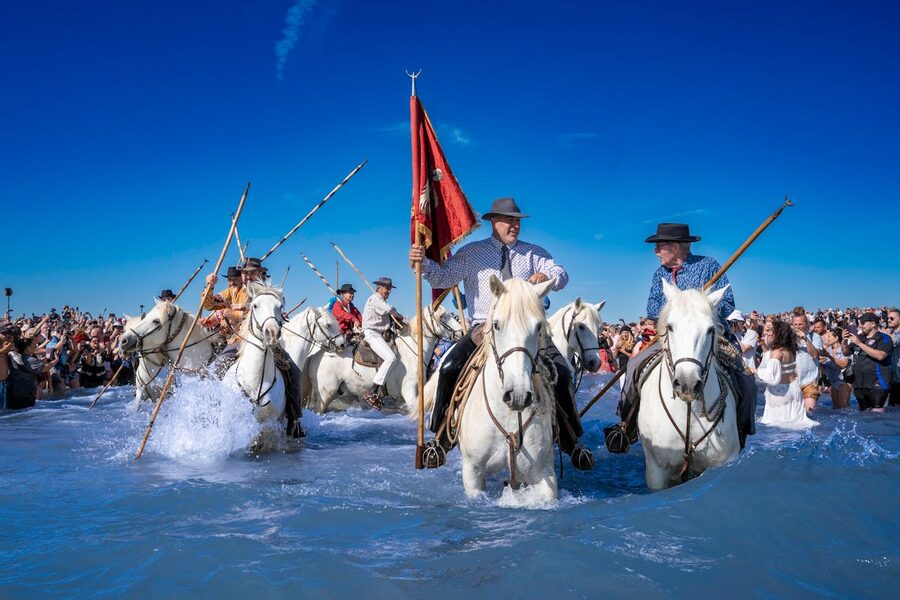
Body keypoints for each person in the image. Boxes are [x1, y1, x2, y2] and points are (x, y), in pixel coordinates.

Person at [409, 197, 594, 470]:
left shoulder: (534, 253)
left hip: (530, 331)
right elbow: (442, 278)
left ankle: (571, 440)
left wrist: (547, 277)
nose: (515, 225)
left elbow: (561, 274)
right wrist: (422, 262)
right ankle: (440, 438)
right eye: (509, 220)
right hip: (485, 329)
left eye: (517, 221)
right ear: (494, 222)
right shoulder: (472, 253)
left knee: (562, 372)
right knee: (448, 367)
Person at [616, 223, 756, 450]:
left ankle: (740, 430)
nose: (655, 251)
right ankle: (626, 426)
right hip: (671, 337)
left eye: (660, 246)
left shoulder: (709, 266)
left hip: (710, 336)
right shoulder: (659, 274)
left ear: (677, 246)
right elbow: (653, 309)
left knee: (747, 383)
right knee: (633, 366)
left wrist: (699, 306)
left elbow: (728, 303)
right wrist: (679, 309)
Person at [756, 320, 818, 429]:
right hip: (794, 390)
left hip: (780, 393)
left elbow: (771, 377)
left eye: (771, 331)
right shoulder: (791, 350)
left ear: (777, 334)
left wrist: (754, 371)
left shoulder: (777, 352)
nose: (768, 333)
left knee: (776, 431)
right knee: (795, 427)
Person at [361, 277, 404, 409]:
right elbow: (389, 309)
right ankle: (373, 390)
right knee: (391, 358)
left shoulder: (381, 300)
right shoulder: (375, 299)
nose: (388, 291)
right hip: (372, 333)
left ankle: (385, 391)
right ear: (379, 287)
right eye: (386, 288)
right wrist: (398, 315)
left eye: (389, 289)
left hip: (380, 333)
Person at [841, 312, 893, 411]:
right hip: (860, 385)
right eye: (860, 323)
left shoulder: (884, 338)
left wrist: (860, 344)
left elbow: (881, 356)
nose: (860, 326)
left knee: (877, 417)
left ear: (873, 324)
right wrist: (843, 341)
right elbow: (846, 353)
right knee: (864, 416)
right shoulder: (860, 337)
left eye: (863, 323)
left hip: (878, 384)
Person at [791, 307, 823, 410]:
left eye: (800, 324)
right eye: (795, 324)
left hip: (810, 381)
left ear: (806, 324)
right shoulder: (790, 337)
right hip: (793, 381)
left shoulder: (815, 337)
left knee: (810, 413)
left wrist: (805, 339)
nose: (797, 327)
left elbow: (815, 355)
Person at [820, 327, 851, 409]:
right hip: (833, 383)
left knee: (843, 408)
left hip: (843, 383)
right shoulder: (828, 350)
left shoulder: (844, 350)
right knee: (835, 409)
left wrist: (829, 356)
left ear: (836, 338)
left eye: (829, 336)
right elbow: (823, 369)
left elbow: (843, 364)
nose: (826, 338)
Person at [888, 308, 900, 407]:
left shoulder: (895, 335)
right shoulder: (890, 333)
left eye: (892, 318)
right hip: (892, 377)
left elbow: (893, 341)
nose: (888, 320)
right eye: (888, 318)